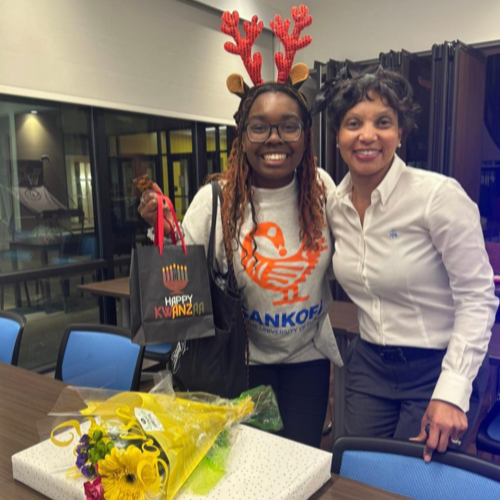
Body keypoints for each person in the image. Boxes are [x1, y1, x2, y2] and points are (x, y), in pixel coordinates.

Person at [137, 6, 342, 448]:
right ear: (241, 136)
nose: (275, 139)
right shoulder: (214, 202)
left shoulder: (323, 189)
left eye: (289, 126)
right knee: (245, 464)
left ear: (305, 135)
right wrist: (163, 230)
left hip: (307, 361)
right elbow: (176, 285)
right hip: (236, 362)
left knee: (300, 459)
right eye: (260, 127)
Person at [316, 67, 498, 461]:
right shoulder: (335, 205)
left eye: (383, 122)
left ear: (400, 133)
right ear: (338, 136)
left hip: (435, 366)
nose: (367, 135)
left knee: (412, 480)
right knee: (358, 470)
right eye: (353, 123)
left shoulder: (438, 196)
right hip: (369, 364)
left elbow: (477, 297)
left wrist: (452, 391)